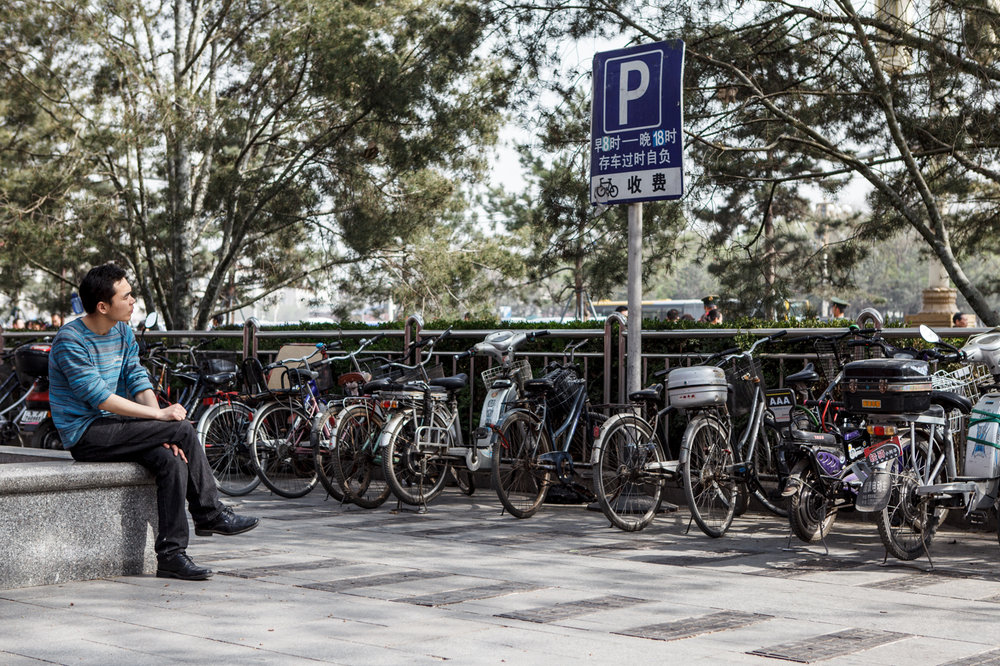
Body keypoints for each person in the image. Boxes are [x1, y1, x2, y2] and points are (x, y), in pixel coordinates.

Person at [48, 264, 259, 582]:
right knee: (183, 428)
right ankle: (209, 513)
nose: (133, 300)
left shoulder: (121, 330)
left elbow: (136, 378)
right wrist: (161, 418)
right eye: (127, 295)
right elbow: (100, 398)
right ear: (103, 306)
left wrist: (161, 426)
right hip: (87, 434)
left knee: (172, 457)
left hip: (120, 425)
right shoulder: (70, 341)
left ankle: (171, 556)